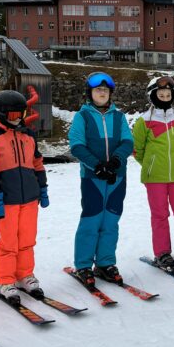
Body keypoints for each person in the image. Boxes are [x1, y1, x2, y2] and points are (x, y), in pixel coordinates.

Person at [0, 90, 49, 301]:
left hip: (30, 198)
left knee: (27, 240)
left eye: (22, 113)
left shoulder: (28, 134)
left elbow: (37, 163)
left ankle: (24, 275)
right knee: (8, 243)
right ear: (1, 113)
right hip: (6, 199)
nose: (18, 118)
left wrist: (42, 188)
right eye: (13, 115)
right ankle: (4, 280)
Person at [68, 72, 134, 284]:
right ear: (90, 93)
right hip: (92, 177)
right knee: (91, 219)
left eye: (105, 90)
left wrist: (115, 161)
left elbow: (127, 142)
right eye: (98, 89)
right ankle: (84, 265)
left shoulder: (119, 117)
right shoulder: (83, 116)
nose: (102, 93)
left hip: (117, 176)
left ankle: (105, 262)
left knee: (111, 220)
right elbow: (77, 145)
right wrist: (96, 166)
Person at [133, 76, 174, 273]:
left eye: (168, 94)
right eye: (160, 94)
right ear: (153, 95)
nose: (164, 96)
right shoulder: (144, 121)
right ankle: (162, 252)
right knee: (160, 215)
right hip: (155, 178)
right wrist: (151, 165)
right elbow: (138, 150)